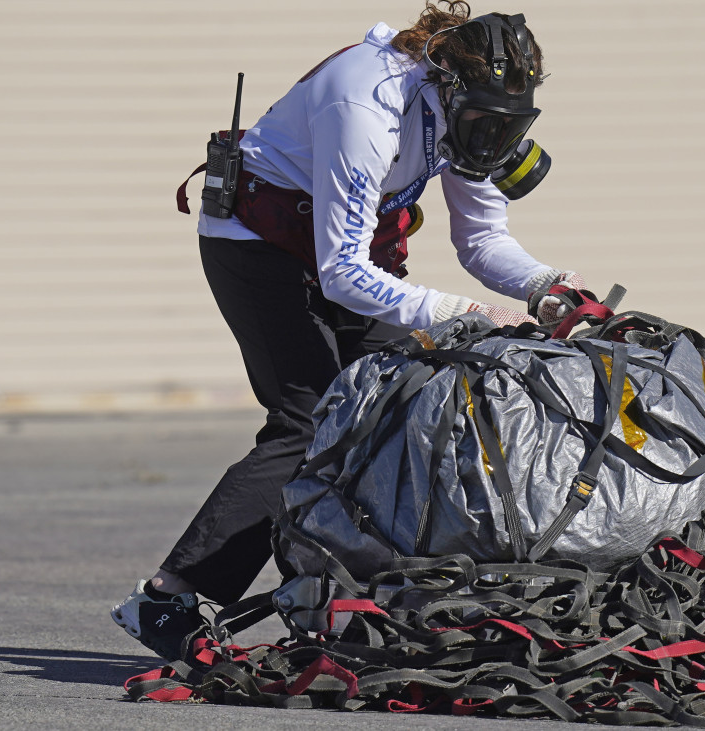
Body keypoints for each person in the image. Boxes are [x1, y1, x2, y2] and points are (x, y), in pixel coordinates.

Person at [111, 0, 587, 662]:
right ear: (445, 82)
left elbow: (481, 241)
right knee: (311, 418)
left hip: (348, 250)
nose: (488, 138)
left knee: (400, 408)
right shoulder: (366, 104)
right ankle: (170, 594)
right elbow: (341, 275)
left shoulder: (469, 115)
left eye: (505, 126)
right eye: (480, 121)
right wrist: (473, 314)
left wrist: (550, 287)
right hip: (258, 240)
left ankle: (362, 599)